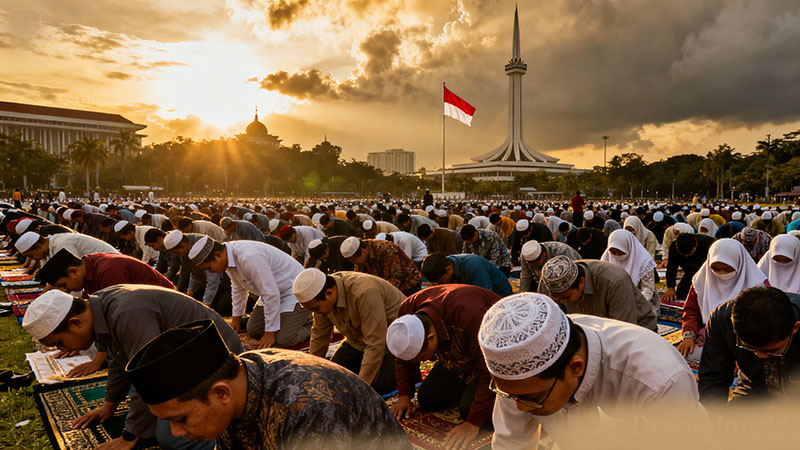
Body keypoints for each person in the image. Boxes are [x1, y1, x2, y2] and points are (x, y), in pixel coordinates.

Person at [124, 320, 411, 450]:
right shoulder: (240, 376)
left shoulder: (310, 407)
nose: (176, 432)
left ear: (220, 393)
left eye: (180, 418)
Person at [21, 286, 243, 450]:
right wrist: (109, 406)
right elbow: (120, 361)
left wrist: (130, 437)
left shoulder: (126, 313)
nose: (63, 349)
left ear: (75, 323)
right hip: (184, 361)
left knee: (171, 436)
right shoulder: (101, 306)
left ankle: (229, 440)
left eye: (59, 342)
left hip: (217, 358)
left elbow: (149, 377)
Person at [479, 293, 701, 450]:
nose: (520, 407)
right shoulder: (520, 372)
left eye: (533, 399)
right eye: (510, 395)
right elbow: (512, 443)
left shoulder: (660, 381)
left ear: (576, 367)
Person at [387, 285, 499, 449]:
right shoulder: (408, 311)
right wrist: (404, 394)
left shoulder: (470, 314)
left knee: (472, 413)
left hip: (490, 354)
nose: (420, 362)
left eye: (421, 358)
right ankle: (468, 387)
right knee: (429, 400)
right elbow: (403, 358)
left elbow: (490, 368)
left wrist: (472, 423)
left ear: (431, 339)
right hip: (456, 359)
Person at [293, 268, 404, 394]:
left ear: (329, 293)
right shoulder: (321, 297)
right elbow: (320, 334)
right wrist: (312, 373)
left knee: (376, 387)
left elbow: (376, 342)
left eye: (316, 309)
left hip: (393, 339)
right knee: (333, 376)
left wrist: (362, 386)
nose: (316, 313)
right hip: (358, 341)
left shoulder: (363, 292)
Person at [190, 236, 311, 349]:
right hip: (271, 291)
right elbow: (238, 287)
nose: (210, 272)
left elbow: (270, 294)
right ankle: (287, 321)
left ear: (217, 255)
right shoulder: (227, 257)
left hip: (293, 290)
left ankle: (311, 324)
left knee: (283, 339)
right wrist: (236, 318)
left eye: (209, 268)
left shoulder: (249, 256)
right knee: (254, 330)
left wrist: (270, 333)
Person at [699, 287, 800, 405]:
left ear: (795, 328)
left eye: (772, 351)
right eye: (750, 349)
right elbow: (714, 380)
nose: (760, 356)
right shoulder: (723, 321)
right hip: (755, 387)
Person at [677, 239, 769, 359]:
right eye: (716, 268)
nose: (721, 273)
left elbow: (765, 321)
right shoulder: (701, 281)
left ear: (739, 264)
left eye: (727, 269)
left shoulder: (758, 286)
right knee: (686, 354)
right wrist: (689, 335)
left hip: (747, 340)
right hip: (710, 336)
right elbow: (691, 310)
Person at [538, 256, 657, 331]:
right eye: (557, 298)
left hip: (636, 329)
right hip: (593, 330)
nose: (562, 302)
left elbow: (624, 330)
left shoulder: (614, 281)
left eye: (566, 297)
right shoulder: (549, 282)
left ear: (581, 282)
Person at [601, 229, 659, 316]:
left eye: (620, 252)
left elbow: (648, 290)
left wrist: (631, 304)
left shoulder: (644, 261)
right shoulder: (606, 259)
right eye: (613, 252)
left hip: (639, 301)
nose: (616, 255)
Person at [340, 237, 422, 296]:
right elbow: (360, 278)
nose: (355, 264)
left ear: (363, 252)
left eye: (355, 260)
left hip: (408, 284)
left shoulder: (386, 249)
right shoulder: (360, 259)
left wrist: (376, 294)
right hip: (384, 287)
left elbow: (395, 279)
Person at [421, 253, 512, 297]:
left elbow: (486, 297)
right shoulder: (444, 263)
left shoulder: (474, 266)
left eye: (441, 281)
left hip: (499, 294)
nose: (442, 284)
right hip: (472, 293)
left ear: (448, 269)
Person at [662, 232, 716, 302]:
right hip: (690, 272)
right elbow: (671, 268)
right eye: (684, 254)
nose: (687, 256)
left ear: (695, 245)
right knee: (682, 293)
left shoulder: (709, 244)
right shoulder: (674, 247)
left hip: (709, 274)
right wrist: (671, 287)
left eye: (690, 253)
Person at [15, 230, 118, 262]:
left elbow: (75, 274)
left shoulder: (63, 244)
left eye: (31, 256)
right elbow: (51, 276)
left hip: (113, 264)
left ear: (38, 247)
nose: (33, 259)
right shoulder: (48, 248)